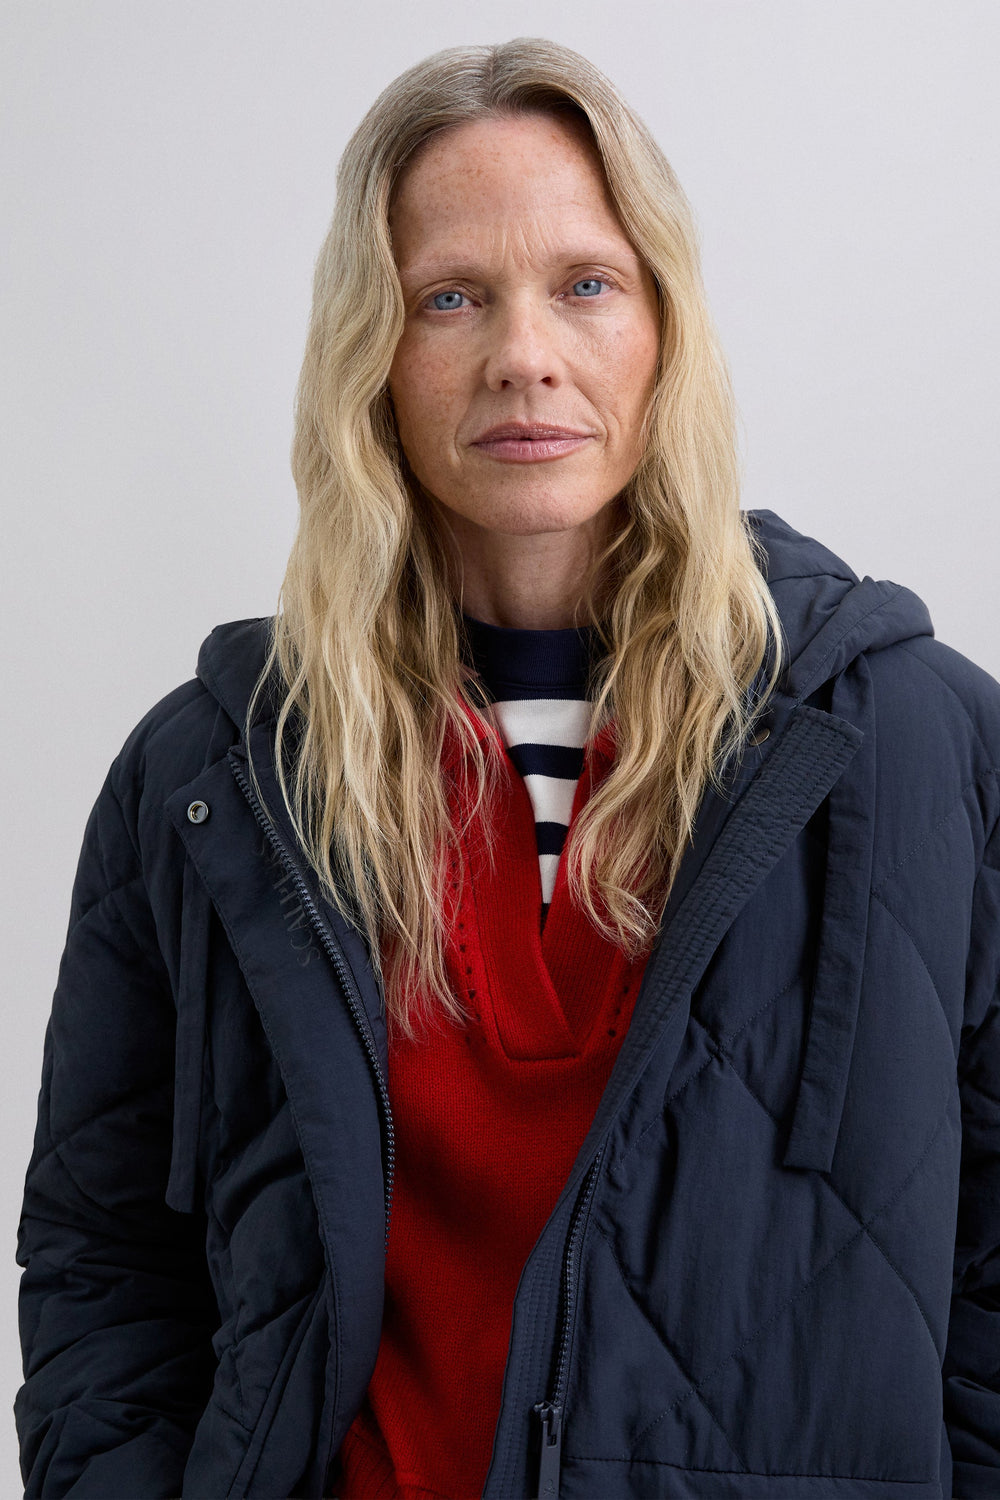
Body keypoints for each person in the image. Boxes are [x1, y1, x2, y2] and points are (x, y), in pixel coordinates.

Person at [14, 35, 1000, 1500]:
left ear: (665, 327)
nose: (523, 356)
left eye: (586, 285)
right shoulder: (217, 775)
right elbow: (103, 1258)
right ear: (373, 354)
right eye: (451, 297)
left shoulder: (920, 742)